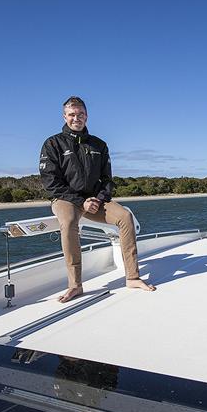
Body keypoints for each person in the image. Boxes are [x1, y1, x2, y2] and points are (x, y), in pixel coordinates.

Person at [39, 96, 155, 302]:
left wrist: (98, 199)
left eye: (80, 114)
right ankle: (75, 285)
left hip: (96, 199)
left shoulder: (99, 145)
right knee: (68, 223)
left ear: (86, 116)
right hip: (65, 199)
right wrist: (80, 202)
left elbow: (107, 180)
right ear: (65, 116)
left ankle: (132, 277)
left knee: (125, 217)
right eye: (72, 114)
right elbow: (50, 182)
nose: (77, 118)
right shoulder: (52, 144)